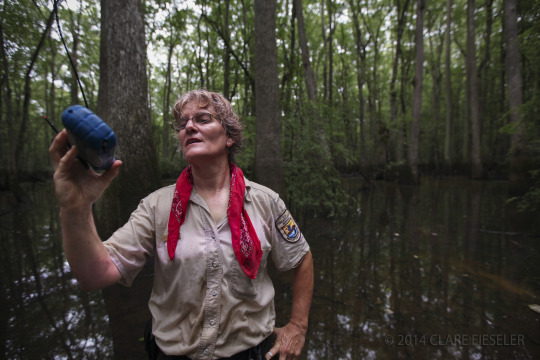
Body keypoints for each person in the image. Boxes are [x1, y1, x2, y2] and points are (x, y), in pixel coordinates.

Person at [49, 89, 314, 360]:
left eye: (203, 118)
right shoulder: (155, 206)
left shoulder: (266, 202)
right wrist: (76, 207)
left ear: (229, 137)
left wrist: (297, 327)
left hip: (250, 353)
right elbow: (94, 275)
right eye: (183, 123)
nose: (189, 126)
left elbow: (301, 258)